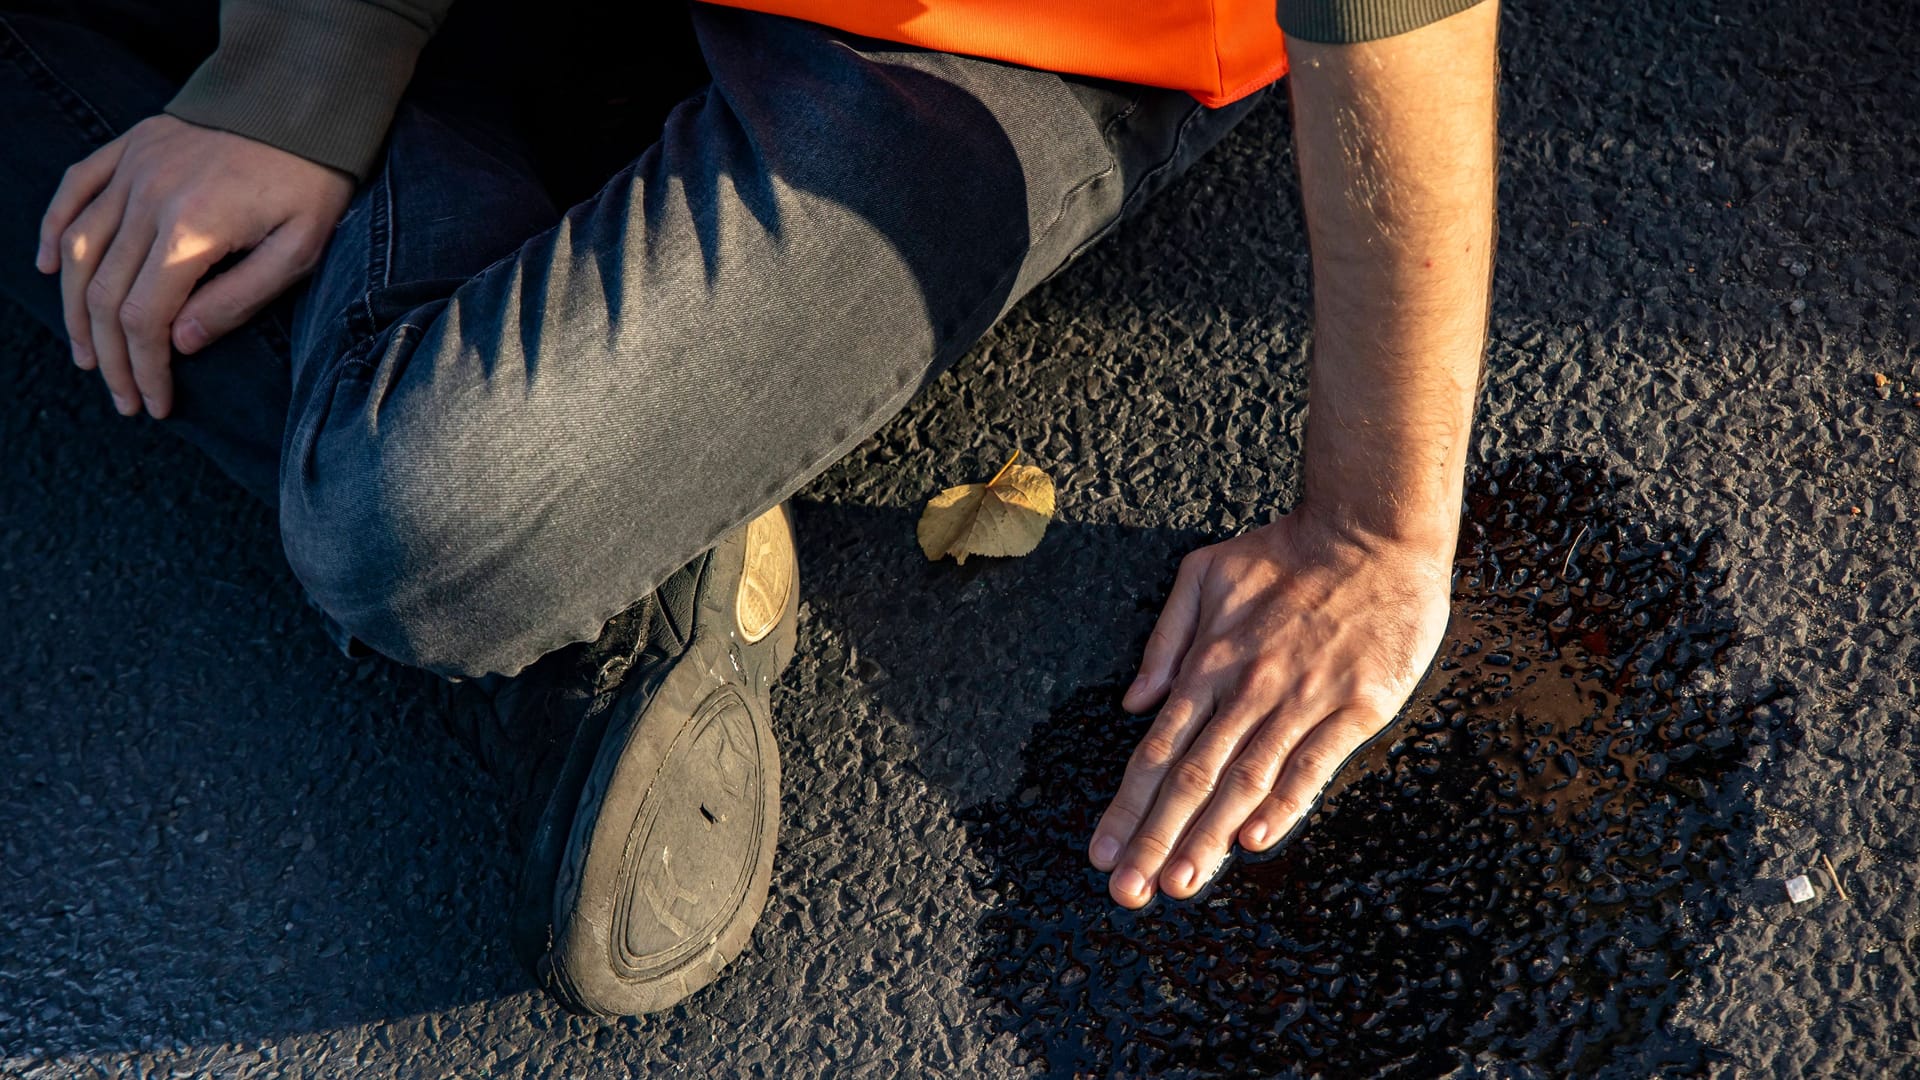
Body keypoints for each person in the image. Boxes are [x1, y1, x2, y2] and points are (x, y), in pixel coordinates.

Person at [0, 0, 1497, 1016]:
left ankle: (593, 492)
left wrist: (1373, 531)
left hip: (1002, 43)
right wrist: (305, 68)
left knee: (420, 517)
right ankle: (627, 495)